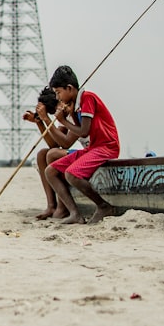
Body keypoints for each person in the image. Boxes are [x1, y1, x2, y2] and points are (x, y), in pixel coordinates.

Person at [43, 65, 120, 225]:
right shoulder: (76, 105)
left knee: (72, 173)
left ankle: (103, 206)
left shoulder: (88, 98)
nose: (58, 97)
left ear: (69, 88)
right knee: (50, 171)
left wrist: (63, 120)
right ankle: (74, 213)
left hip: (106, 146)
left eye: (58, 92)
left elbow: (83, 131)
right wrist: (70, 114)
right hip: (93, 148)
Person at [23, 87, 79, 219]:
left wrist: (48, 120)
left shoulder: (74, 114)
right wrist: (40, 122)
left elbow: (65, 143)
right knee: (42, 154)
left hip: (88, 152)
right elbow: (54, 144)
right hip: (76, 153)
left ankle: (62, 207)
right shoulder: (64, 118)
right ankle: (51, 205)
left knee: (52, 154)